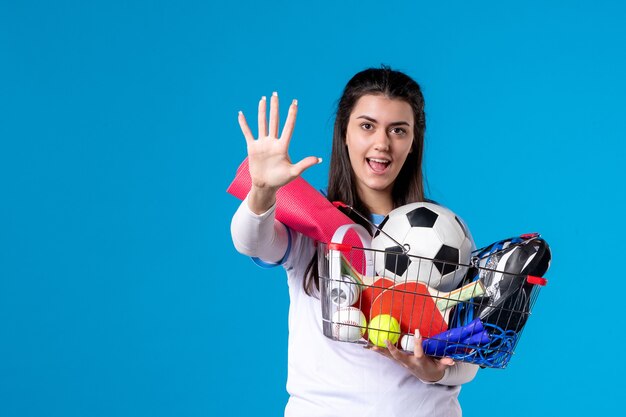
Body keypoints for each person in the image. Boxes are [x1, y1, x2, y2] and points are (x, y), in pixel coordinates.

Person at [230, 66, 478, 417]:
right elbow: (251, 240)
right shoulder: (314, 225)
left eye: (398, 130)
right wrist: (262, 188)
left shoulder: (444, 234)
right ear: (344, 133)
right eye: (367, 126)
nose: (382, 143)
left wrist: (437, 372)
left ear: (413, 142)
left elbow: (468, 354)